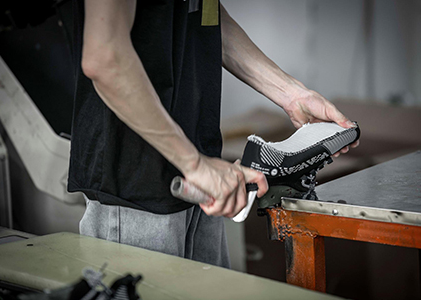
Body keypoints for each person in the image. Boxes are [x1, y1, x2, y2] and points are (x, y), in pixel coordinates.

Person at [68, 0, 358, 268]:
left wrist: (293, 95)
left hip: (201, 174)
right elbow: (105, 58)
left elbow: (207, 17)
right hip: (135, 190)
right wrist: (194, 164)